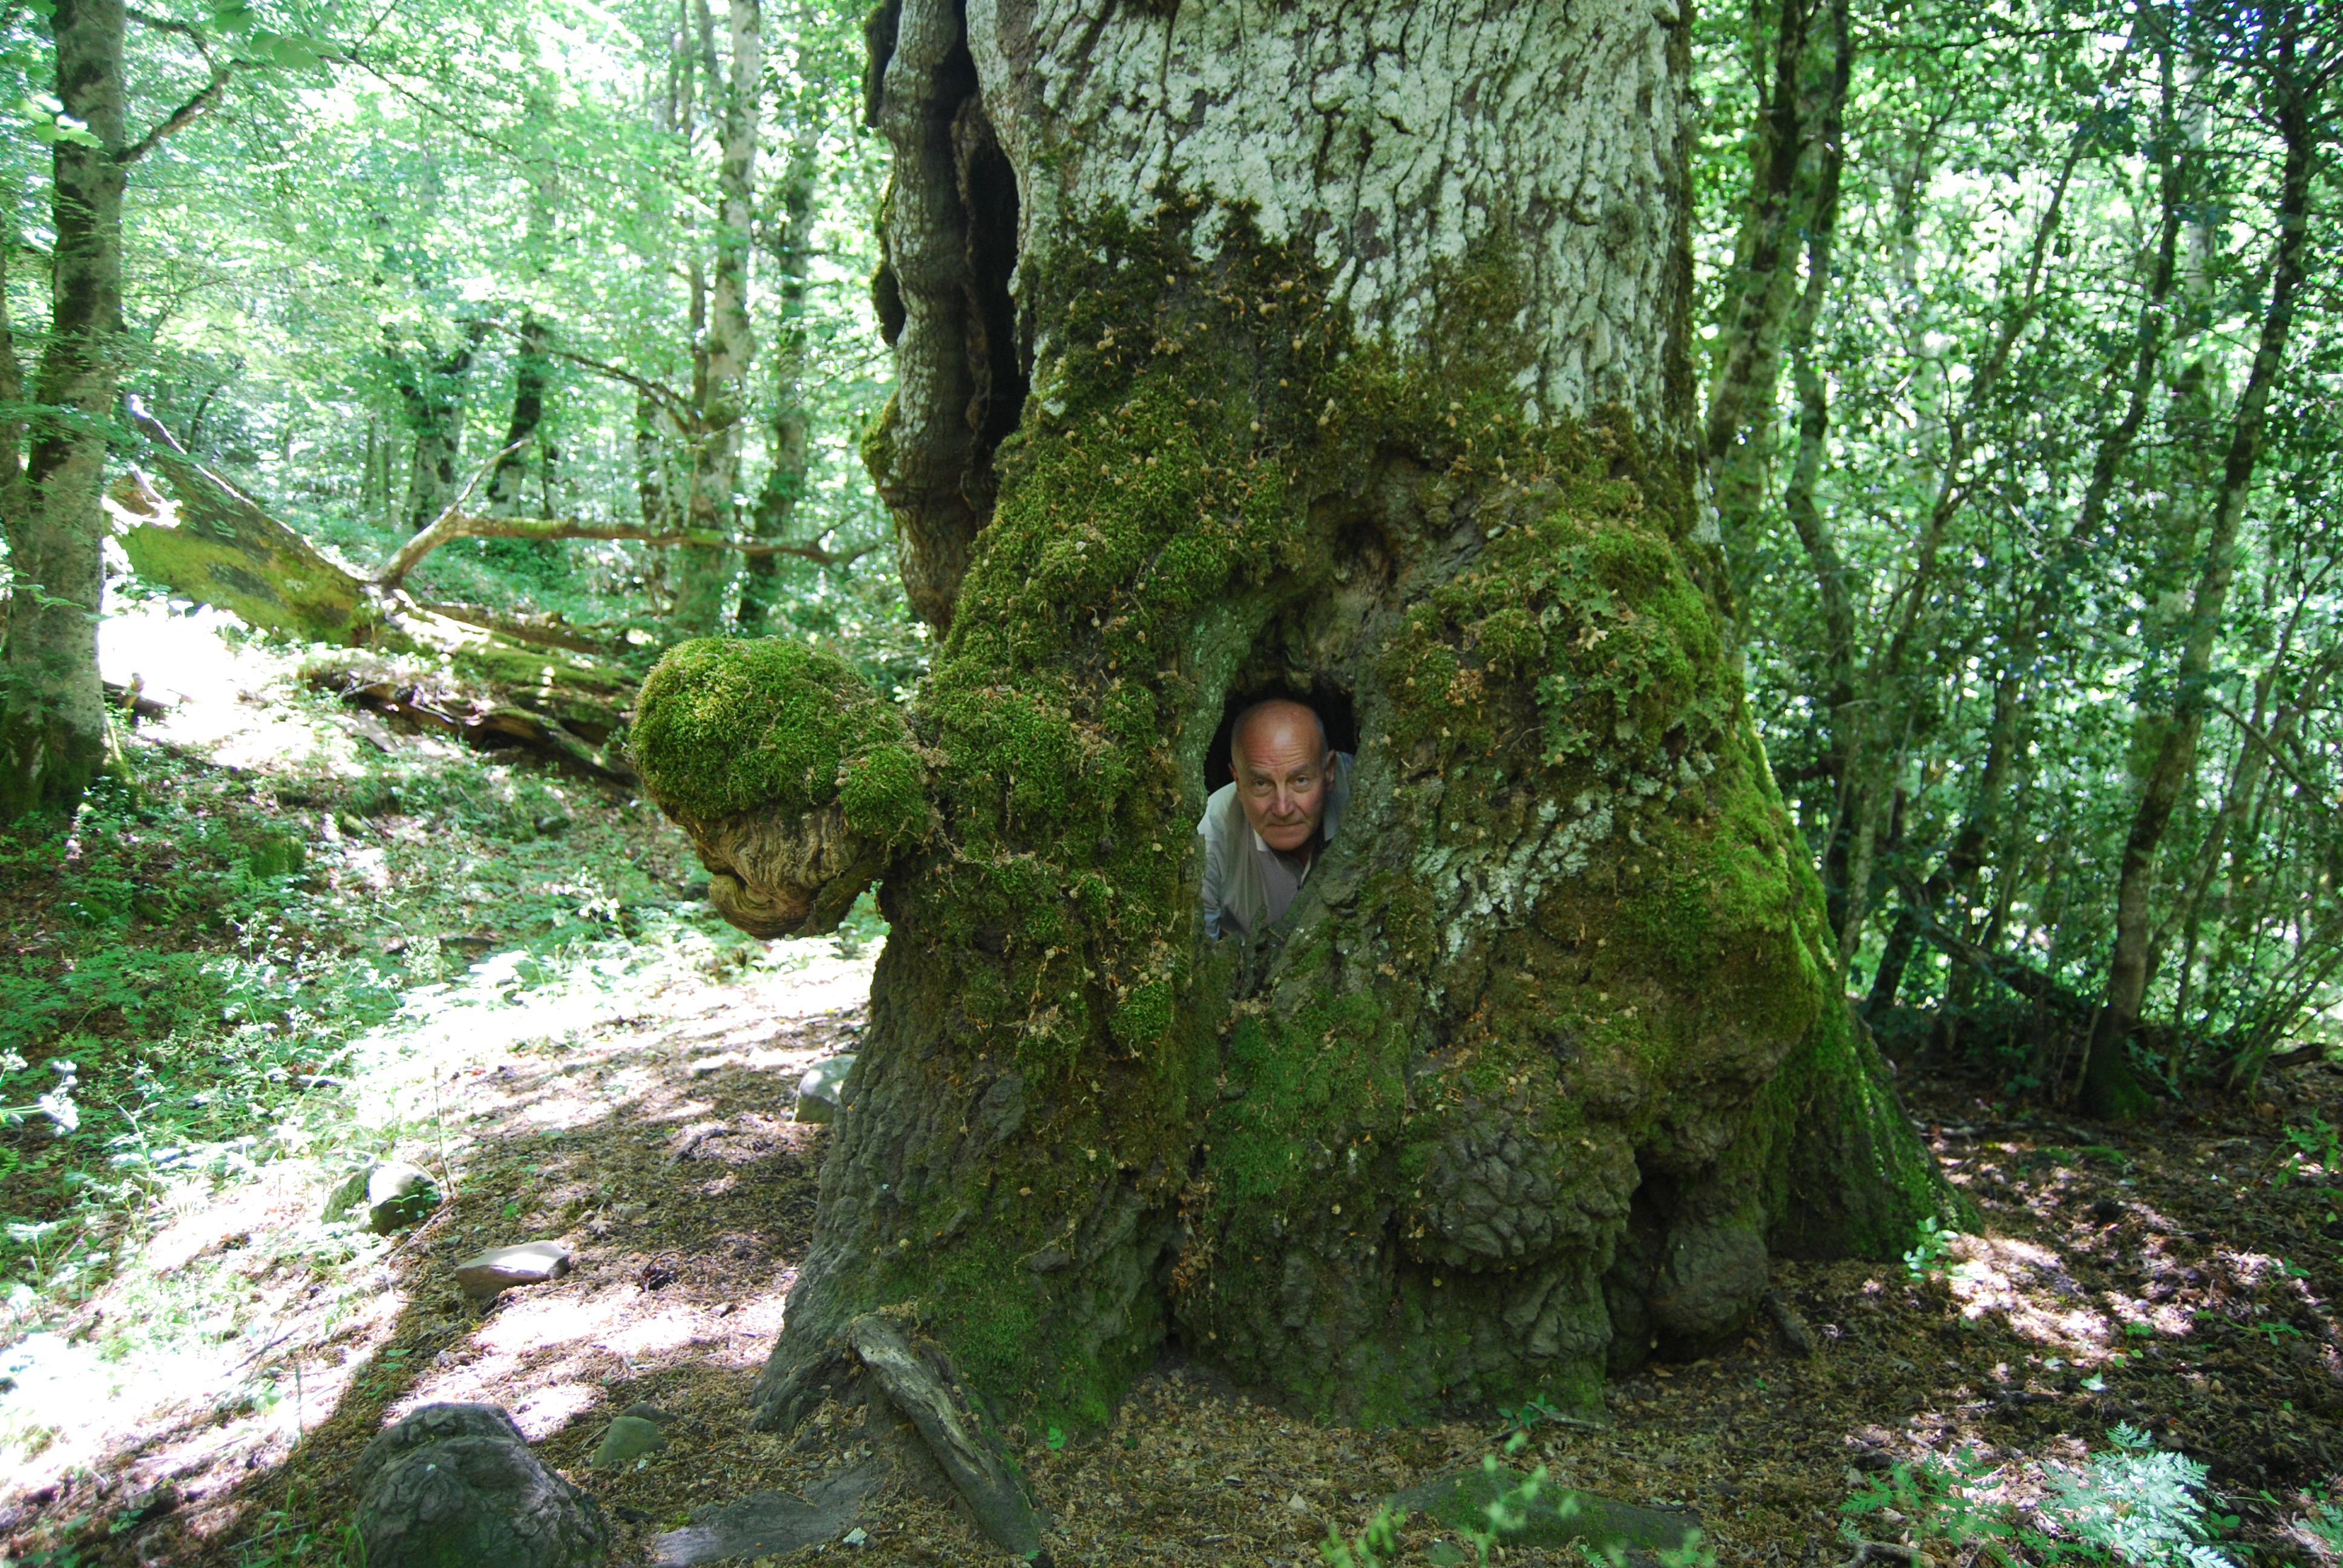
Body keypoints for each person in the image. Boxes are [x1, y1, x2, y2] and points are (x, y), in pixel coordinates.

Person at [1197, 698, 1352, 940]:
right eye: (1262, 784)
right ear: (1238, 782)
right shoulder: (1212, 830)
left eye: (1300, 780)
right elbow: (1194, 949)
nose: (1282, 808)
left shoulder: (1365, 795)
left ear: (1329, 771)